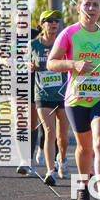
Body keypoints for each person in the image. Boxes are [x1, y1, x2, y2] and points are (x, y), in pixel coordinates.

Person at [47, 0, 100, 200]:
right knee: (84, 146)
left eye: (95, 5)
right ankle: (83, 186)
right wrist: (73, 64)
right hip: (77, 97)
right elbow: (52, 63)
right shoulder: (69, 33)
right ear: (79, 7)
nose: (91, 8)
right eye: (87, 4)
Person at [31, 10, 70, 185]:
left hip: (63, 94)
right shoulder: (33, 45)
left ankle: (62, 160)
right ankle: (49, 171)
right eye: (50, 20)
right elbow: (24, 61)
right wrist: (28, 65)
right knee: (49, 132)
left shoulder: (63, 44)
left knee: (63, 137)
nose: (54, 23)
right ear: (42, 24)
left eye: (57, 21)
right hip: (43, 94)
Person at [17, 23, 42, 176]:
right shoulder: (9, 38)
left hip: (34, 82)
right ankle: (23, 160)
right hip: (17, 83)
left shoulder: (35, 35)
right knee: (20, 120)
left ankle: (30, 157)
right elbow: (1, 55)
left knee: (32, 123)